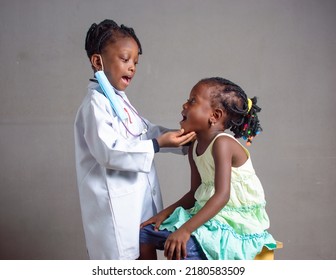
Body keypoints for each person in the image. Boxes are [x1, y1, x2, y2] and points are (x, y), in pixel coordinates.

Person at [74, 19, 195, 260]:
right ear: (98, 61)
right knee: (124, 259)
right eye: (125, 59)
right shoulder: (94, 106)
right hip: (115, 210)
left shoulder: (118, 100)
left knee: (145, 251)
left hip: (137, 203)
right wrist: (158, 144)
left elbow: (145, 131)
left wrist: (183, 140)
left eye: (135, 62)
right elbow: (109, 151)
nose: (132, 67)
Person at [139, 77, 276, 260]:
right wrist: (163, 214)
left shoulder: (223, 144)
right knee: (143, 234)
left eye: (192, 101)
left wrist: (185, 230)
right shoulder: (194, 147)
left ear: (215, 116)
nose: (185, 104)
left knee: (182, 247)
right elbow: (194, 193)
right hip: (208, 214)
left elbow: (222, 196)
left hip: (233, 221)